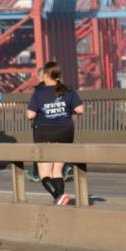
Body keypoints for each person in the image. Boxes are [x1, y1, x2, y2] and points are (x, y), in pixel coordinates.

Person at [26, 62, 85, 206]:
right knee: (57, 170)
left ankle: (59, 196)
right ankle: (61, 199)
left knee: (44, 173)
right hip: (65, 132)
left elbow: (30, 115)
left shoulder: (39, 93)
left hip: (45, 133)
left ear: (46, 74)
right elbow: (80, 110)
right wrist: (65, 111)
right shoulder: (68, 90)